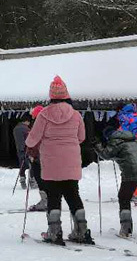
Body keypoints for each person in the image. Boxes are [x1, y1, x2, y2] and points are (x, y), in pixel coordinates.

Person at [25, 76, 93, 245]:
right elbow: (81, 137)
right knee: (73, 195)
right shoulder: (76, 115)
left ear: (51, 96)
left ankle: (54, 232)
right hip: (71, 163)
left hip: (51, 164)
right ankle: (82, 231)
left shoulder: (44, 115)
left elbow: (32, 139)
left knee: (54, 197)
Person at [96, 118, 137, 237]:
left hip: (130, 172)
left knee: (124, 198)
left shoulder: (115, 141)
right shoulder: (133, 139)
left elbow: (106, 155)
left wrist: (97, 146)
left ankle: (126, 229)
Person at [27, 106, 48, 211]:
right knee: (44, 178)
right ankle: (47, 200)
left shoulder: (38, 125)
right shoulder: (48, 124)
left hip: (38, 157)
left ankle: (46, 201)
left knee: (40, 178)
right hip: (45, 156)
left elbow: (34, 142)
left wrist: (31, 153)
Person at [13, 114, 33, 189]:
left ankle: (22, 180)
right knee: (31, 165)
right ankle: (32, 181)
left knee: (22, 166)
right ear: (26, 121)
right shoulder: (26, 129)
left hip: (19, 149)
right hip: (26, 149)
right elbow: (29, 140)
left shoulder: (15, 128)